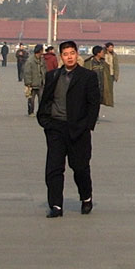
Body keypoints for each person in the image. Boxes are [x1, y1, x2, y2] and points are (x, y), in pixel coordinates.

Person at [36, 40, 101, 217]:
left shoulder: (88, 76)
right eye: (65, 54)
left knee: (80, 167)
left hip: (78, 129)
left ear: (77, 54)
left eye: (72, 53)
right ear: (61, 57)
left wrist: (87, 125)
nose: (69, 57)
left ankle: (86, 197)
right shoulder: (53, 76)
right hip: (56, 127)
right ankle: (56, 205)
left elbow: (94, 103)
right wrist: (45, 121)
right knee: (54, 168)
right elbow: (46, 100)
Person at [23, 45, 47, 116]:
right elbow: (27, 73)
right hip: (32, 84)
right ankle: (31, 111)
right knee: (31, 99)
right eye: (42, 50)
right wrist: (28, 83)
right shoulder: (30, 61)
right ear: (40, 51)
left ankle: (41, 111)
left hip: (41, 83)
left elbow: (45, 70)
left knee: (41, 99)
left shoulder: (42, 60)